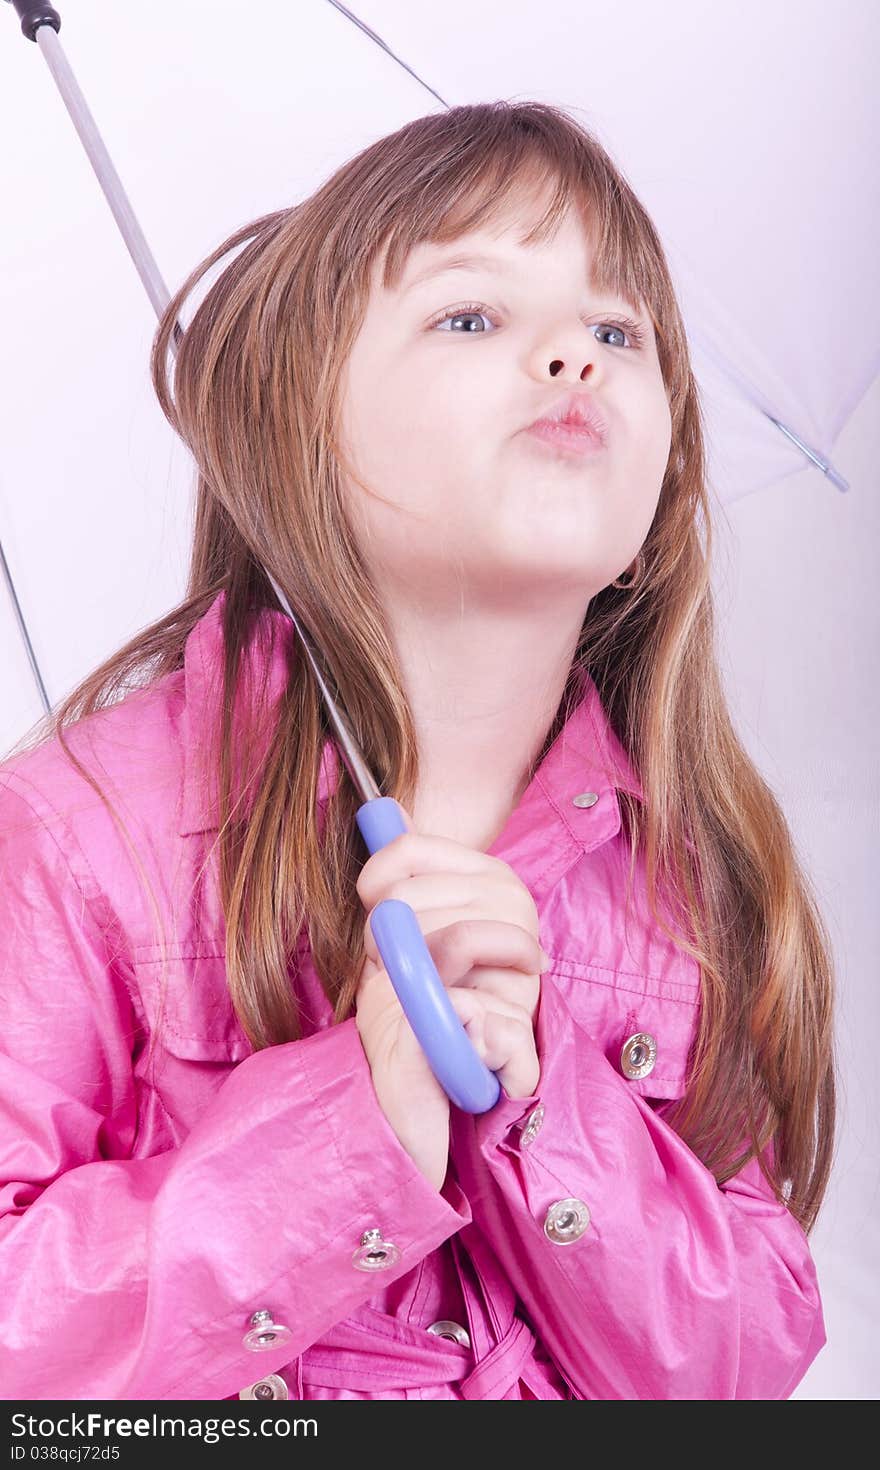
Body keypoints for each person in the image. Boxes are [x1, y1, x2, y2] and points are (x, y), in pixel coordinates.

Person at [0, 100, 836, 1400]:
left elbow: (747, 1356)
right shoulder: (79, 834)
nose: (575, 359)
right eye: (472, 315)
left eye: (616, 330)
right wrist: (355, 1129)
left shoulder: (686, 871)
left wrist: (546, 1096)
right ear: (295, 427)